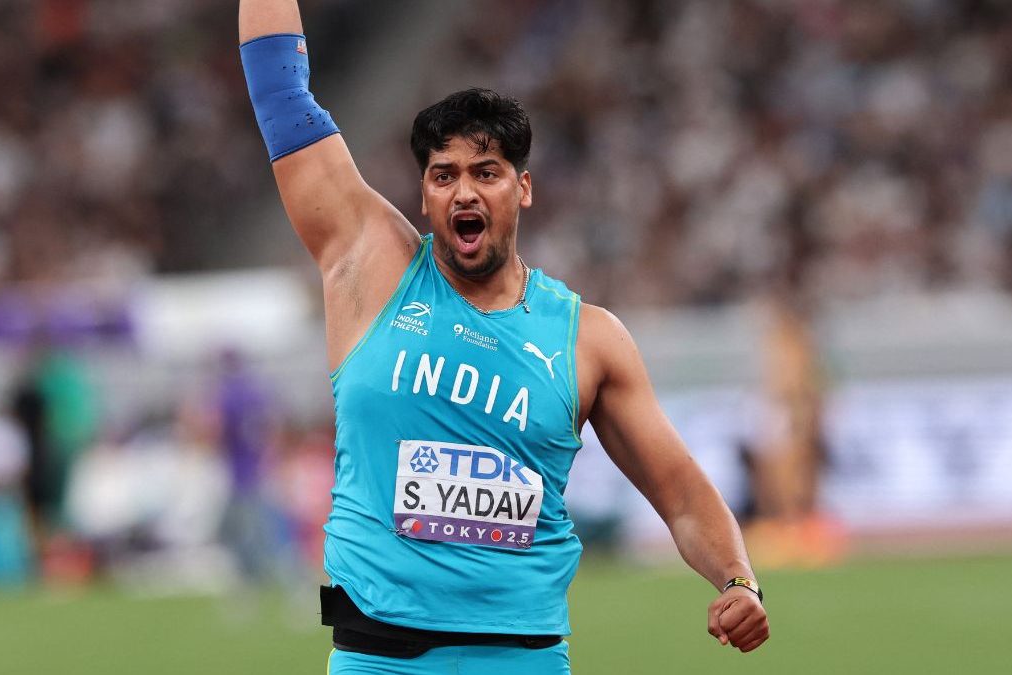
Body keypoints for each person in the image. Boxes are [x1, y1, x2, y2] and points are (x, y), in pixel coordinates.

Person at [238, 2, 769, 671]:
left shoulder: (588, 340)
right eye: (443, 175)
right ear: (426, 195)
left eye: (485, 172)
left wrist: (738, 580)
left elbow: (683, 493)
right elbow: (281, 93)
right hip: (377, 656)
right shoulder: (368, 266)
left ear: (522, 189)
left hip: (523, 658)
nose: (464, 191)